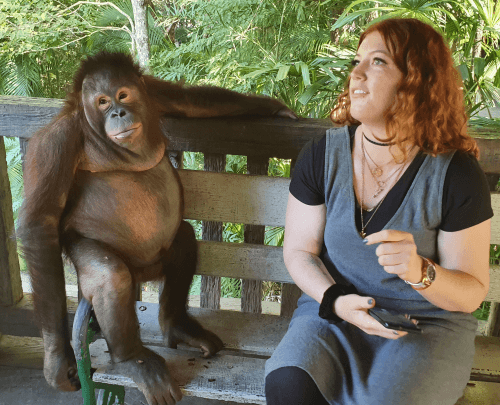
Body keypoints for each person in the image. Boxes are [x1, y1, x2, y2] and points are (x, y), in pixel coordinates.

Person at [265, 17, 493, 405]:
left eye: (378, 62)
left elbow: (471, 291)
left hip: (424, 327)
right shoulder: (322, 155)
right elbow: (300, 250)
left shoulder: (454, 173)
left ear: (416, 80)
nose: (356, 74)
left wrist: (420, 270)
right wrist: (335, 300)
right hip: (336, 313)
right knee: (289, 386)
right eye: (357, 62)